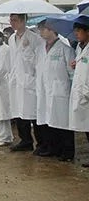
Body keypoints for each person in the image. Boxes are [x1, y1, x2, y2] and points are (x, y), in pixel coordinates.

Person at [7, 13, 46, 152]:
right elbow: (12, 60)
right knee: (18, 111)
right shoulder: (11, 39)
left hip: (31, 81)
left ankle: (41, 143)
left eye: (15, 20)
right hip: (16, 81)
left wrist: (35, 79)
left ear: (24, 21)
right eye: (11, 20)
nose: (12, 23)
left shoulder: (35, 38)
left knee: (34, 114)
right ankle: (25, 140)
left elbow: (39, 61)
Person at [38, 20, 75, 161]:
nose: (41, 32)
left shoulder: (66, 49)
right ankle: (55, 149)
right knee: (51, 122)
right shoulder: (43, 49)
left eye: (44, 29)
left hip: (61, 92)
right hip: (48, 91)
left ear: (52, 30)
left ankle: (68, 152)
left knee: (64, 123)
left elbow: (71, 73)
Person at [68, 21, 89, 167]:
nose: (76, 34)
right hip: (82, 92)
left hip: (86, 92)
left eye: (79, 31)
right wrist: (77, 64)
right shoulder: (79, 48)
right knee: (87, 129)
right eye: (75, 31)